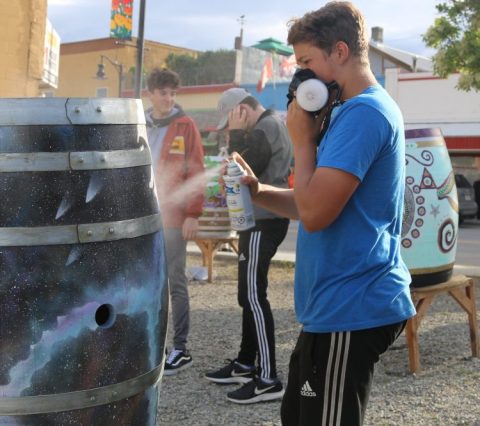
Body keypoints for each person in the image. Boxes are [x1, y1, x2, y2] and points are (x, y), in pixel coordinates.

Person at [230, 2, 416, 424]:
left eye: (306, 62)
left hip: (351, 306)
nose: (301, 76)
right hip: (332, 310)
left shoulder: (365, 114)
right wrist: (259, 191)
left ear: (340, 52)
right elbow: (312, 200)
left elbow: (315, 215)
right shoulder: (346, 112)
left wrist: (303, 141)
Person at [205, 88, 292, 404]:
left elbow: (243, 167)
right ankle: (245, 363)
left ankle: (268, 379)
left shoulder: (265, 127)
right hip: (259, 220)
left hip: (263, 222)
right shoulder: (270, 125)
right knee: (249, 294)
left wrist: (237, 135)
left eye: (230, 121)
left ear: (241, 110)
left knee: (253, 296)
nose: (229, 129)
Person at [145, 68, 205, 376]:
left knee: (175, 281)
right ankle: (151, 345)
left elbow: (196, 170)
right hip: (144, 218)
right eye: (163, 93)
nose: (168, 99)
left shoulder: (185, 126)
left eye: (173, 93)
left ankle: (181, 348)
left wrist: (193, 214)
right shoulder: (140, 123)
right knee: (147, 282)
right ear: (150, 94)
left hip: (172, 218)